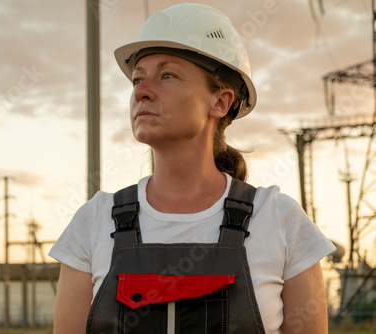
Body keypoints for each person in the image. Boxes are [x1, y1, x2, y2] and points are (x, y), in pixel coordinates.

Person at [50, 3, 335, 333]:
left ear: (220, 101)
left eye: (166, 75)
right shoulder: (92, 223)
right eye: (137, 79)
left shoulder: (281, 222)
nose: (141, 91)